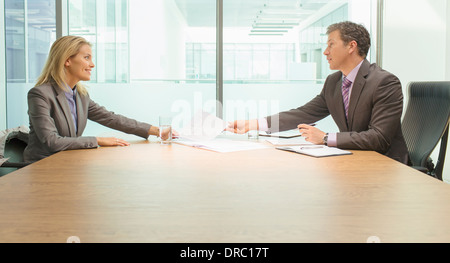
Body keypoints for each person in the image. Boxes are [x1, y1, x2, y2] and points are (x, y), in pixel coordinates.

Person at [227, 21, 409, 164]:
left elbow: (379, 138)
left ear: (351, 46)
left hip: (386, 164)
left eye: (331, 44)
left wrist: (325, 138)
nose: (325, 52)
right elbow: (303, 113)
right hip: (355, 159)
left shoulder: (384, 82)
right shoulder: (334, 82)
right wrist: (253, 124)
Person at [24, 35, 168, 163]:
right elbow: (52, 141)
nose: (92, 64)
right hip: (42, 166)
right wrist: (97, 140)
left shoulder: (81, 96)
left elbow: (111, 118)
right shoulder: (39, 94)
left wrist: (155, 130)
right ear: (67, 61)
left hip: (68, 163)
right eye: (87, 58)